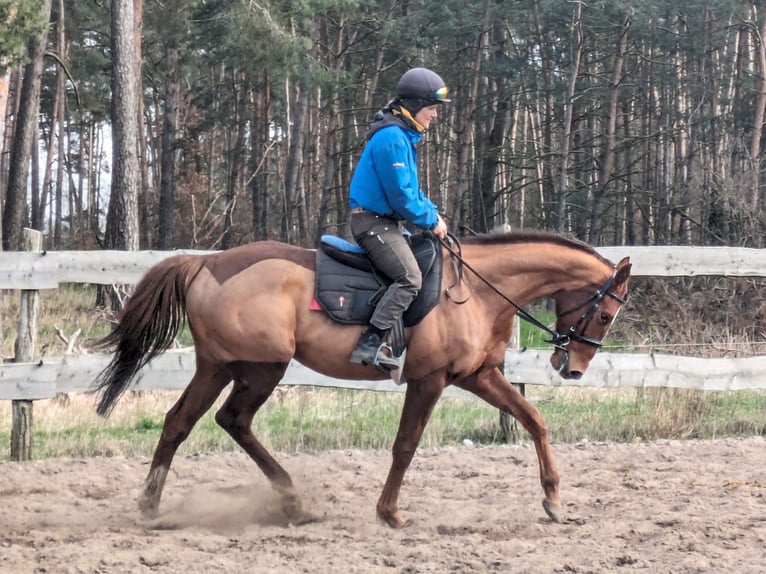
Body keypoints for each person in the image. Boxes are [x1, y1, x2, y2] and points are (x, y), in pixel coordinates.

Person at [348, 67, 450, 369]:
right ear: (416, 106)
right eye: (431, 108)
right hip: (373, 224)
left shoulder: (402, 137)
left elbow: (413, 192)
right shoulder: (392, 138)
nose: (434, 115)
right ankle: (371, 343)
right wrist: (430, 222)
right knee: (410, 278)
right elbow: (401, 197)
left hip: (386, 222)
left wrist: (434, 214)